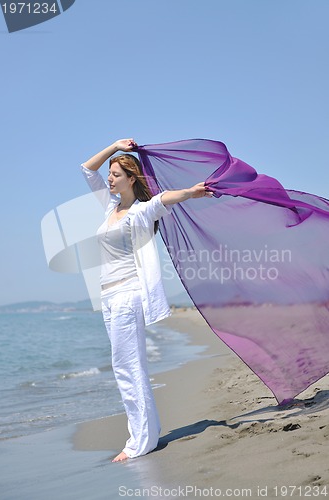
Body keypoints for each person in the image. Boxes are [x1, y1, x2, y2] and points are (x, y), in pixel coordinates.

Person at [81, 138, 212, 462]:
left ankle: (139, 442)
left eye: (116, 174)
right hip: (109, 298)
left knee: (128, 366)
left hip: (128, 295)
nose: (109, 179)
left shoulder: (139, 212)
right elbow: (87, 169)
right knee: (124, 366)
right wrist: (113, 147)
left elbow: (163, 200)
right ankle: (146, 435)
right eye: (110, 174)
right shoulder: (110, 207)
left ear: (131, 179)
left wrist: (190, 192)